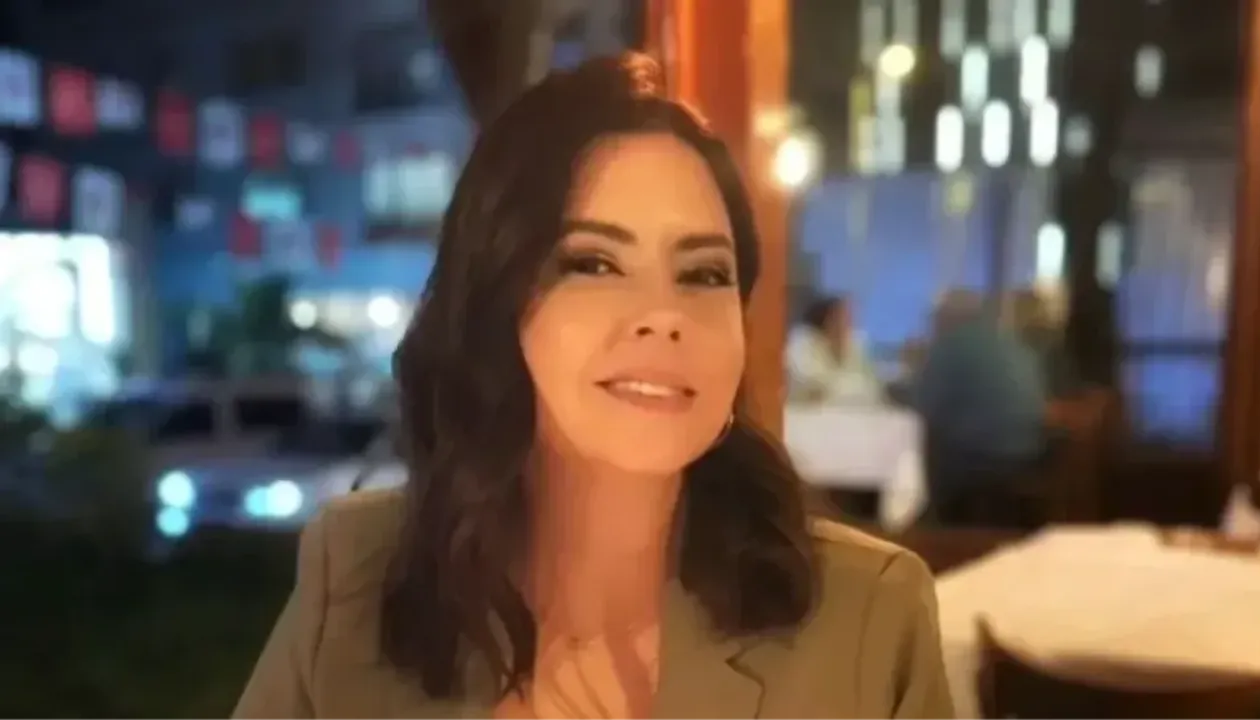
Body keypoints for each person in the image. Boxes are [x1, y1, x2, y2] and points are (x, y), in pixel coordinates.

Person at [232, 54, 953, 719]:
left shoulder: (868, 620)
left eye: (704, 273)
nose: (664, 315)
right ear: (498, 302)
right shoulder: (358, 577)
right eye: (595, 264)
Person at [915, 290, 1048, 526]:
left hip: (978, 463)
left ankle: (924, 533)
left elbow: (926, 407)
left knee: (926, 447)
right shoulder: (1009, 342)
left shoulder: (950, 346)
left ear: (946, 318)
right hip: (1028, 456)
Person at [785, 295, 882, 404]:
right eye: (841, 317)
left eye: (849, 318)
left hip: (850, 410)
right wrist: (852, 386)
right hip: (805, 410)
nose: (848, 323)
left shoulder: (855, 344)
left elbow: (872, 385)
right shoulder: (802, 342)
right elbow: (813, 385)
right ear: (825, 319)